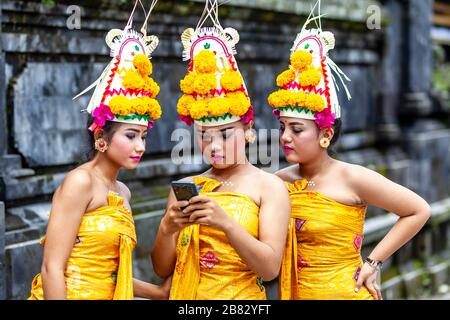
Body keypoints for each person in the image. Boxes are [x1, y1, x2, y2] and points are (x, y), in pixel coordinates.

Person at [267, 1, 431, 300]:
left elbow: (417, 210)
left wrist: (374, 262)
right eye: (282, 128)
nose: (285, 137)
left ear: (325, 134)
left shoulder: (352, 177)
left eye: (297, 129)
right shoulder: (278, 182)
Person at [28, 1, 170, 300]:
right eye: (131, 136)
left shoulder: (122, 192)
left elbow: (111, 274)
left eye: (143, 136)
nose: (140, 146)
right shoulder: (80, 182)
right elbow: (52, 267)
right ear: (101, 136)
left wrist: (161, 293)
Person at [151, 0, 291, 300]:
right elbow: (163, 270)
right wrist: (167, 228)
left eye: (225, 134)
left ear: (249, 132)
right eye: (203, 136)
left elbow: (269, 269)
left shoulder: (270, 187)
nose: (213, 145)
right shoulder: (188, 188)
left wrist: (225, 223)